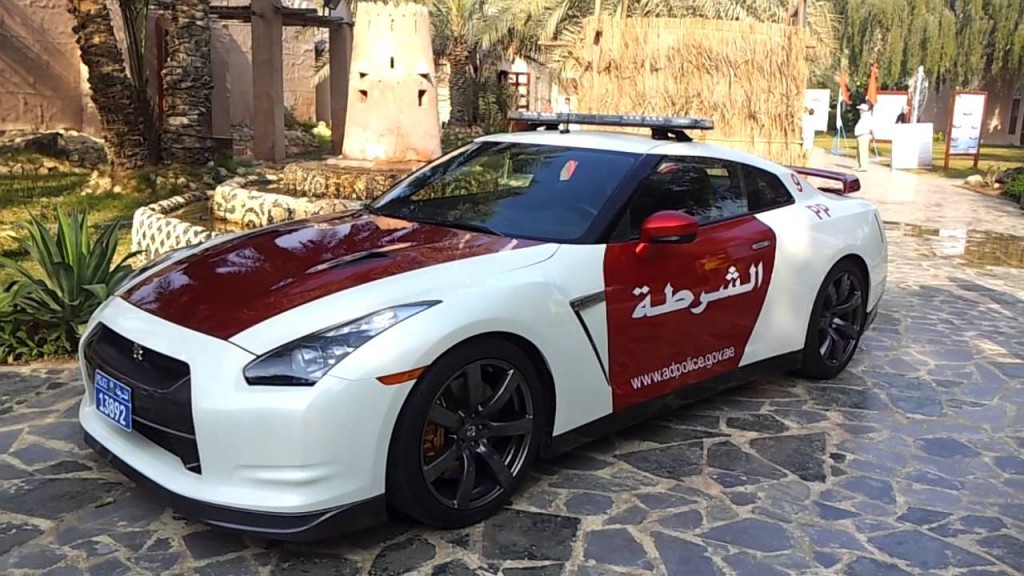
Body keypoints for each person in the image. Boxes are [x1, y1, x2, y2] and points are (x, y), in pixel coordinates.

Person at [853, 103, 875, 171]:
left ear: (863, 110)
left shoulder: (867, 117)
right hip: (860, 135)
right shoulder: (863, 117)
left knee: (863, 151)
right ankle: (859, 165)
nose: (859, 111)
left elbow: (871, 127)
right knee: (859, 151)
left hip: (864, 135)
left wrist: (873, 135)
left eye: (860, 109)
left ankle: (864, 166)